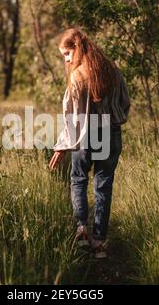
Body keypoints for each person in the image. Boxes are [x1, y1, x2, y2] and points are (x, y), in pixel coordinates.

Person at [49, 28, 130, 259]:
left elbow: (72, 117)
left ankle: (82, 230)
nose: (66, 59)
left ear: (76, 47)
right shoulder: (112, 70)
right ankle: (99, 243)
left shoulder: (77, 76)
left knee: (78, 179)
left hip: (85, 134)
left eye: (66, 53)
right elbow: (125, 103)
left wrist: (62, 145)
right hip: (111, 133)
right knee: (103, 185)